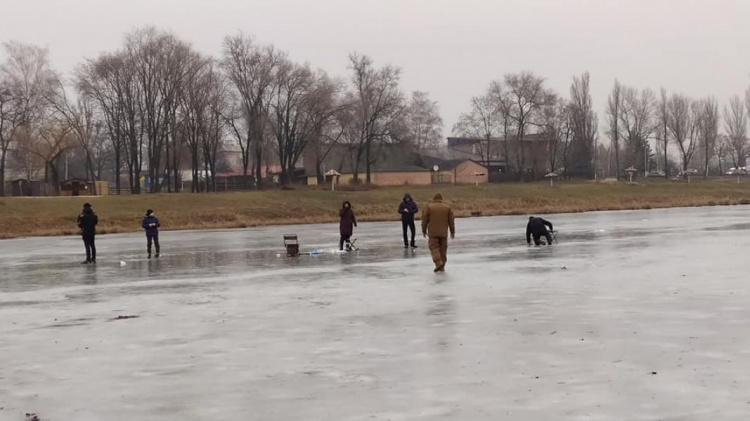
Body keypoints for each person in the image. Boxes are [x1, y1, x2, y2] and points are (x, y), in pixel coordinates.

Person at [421, 193, 455, 272]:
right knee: (443, 250)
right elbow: (451, 221)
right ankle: (442, 265)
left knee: (434, 248)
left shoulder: (429, 207)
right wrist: (452, 231)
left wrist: (424, 230)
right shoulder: (447, 208)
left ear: (434, 199)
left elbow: (424, 220)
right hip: (443, 233)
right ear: (441, 199)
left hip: (433, 233)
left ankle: (438, 263)